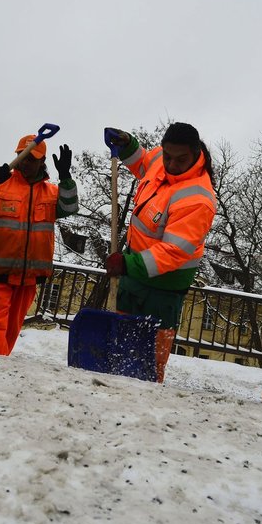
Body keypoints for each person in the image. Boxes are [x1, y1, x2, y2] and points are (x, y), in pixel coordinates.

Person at [103, 122, 216, 382]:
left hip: (162, 292)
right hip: (133, 278)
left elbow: (175, 252)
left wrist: (128, 265)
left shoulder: (198, 198)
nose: (172, 165)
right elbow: (143, 162)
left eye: (181, 159)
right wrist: (127, 144)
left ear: (196, 153)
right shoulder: (160, 159)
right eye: (168, 156)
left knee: (146, 365)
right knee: (118, 353)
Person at [0, 135, 78, 355]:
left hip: (28, 277)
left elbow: (70, 207)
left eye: (31, 159)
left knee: (9, 332)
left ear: (42, 162)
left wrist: (66, 177)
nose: (25, 162)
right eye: (22, 157)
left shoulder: (51, 193)